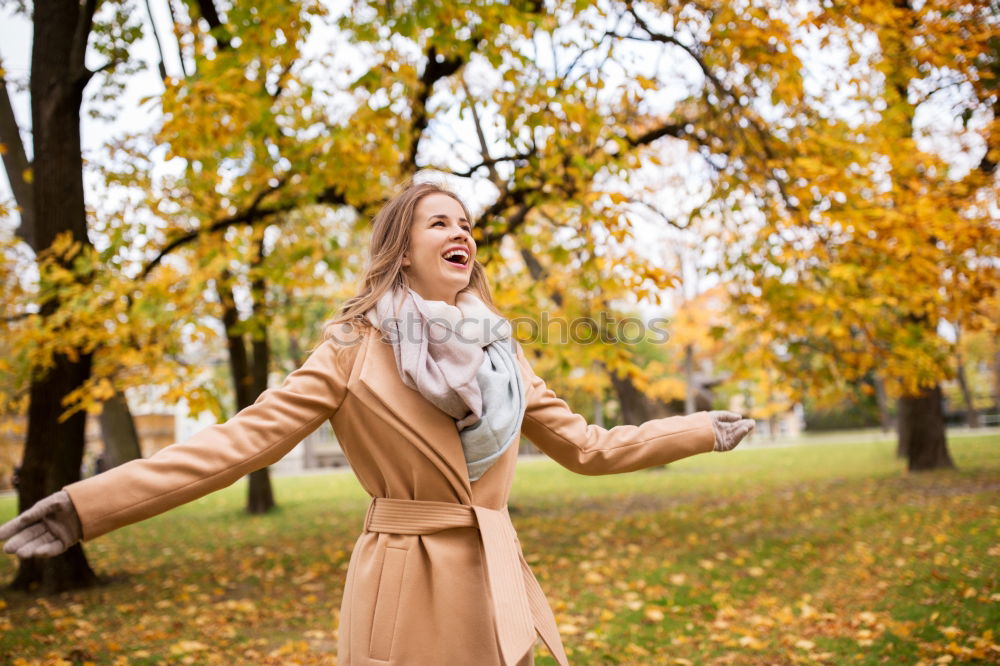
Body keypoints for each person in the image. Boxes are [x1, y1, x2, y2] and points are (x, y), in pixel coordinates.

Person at [0, 182, 755, 665]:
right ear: (404, 246)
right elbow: (237, 445)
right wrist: (85, 507)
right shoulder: (351, 348)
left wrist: (698, 430)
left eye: (466, 224)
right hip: (405, 586)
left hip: (496, 587)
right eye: (439, 222)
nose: (461, 231)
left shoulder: (504, 350)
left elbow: (590, 448)